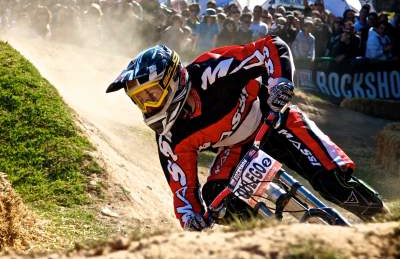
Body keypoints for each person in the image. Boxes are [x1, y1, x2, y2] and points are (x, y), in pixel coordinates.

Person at [106, 36, 386, 231]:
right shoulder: (170, 137)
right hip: (237, 147)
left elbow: (270, 47)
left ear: (174, 79)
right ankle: (271, 242)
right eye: (140, 99)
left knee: (333, 180)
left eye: (151, 94)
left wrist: (280, 82)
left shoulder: (211, 72)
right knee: (217, 195)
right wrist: (192, 219)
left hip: (273, 119)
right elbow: (184, 192)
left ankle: (382, 223)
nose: (147, 105)